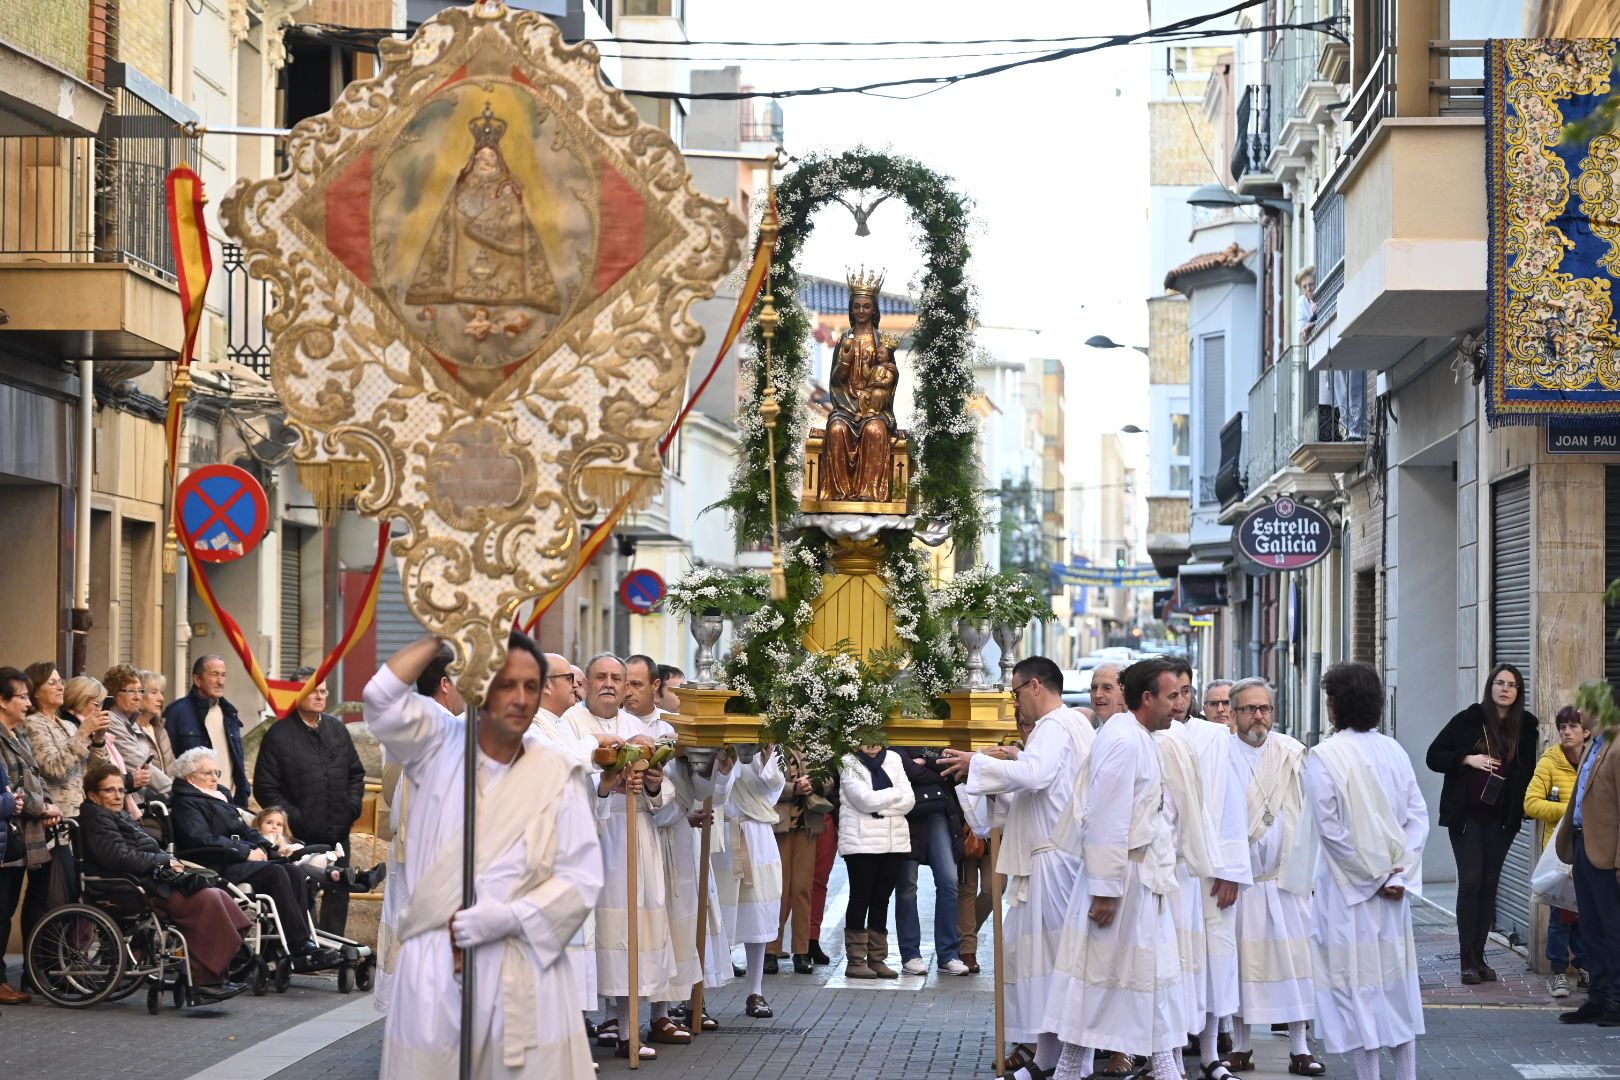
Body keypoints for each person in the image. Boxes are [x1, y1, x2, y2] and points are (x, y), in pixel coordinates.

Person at [364, 632, 602, 1077]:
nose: (519, 698)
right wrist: (443, 629)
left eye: (531, 687)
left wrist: (508, 919)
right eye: (506, 684)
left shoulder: (553, 769)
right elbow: (380, 696)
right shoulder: (433, 742)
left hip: (519, 959)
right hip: (436, 960)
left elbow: (581, 877)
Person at [941, 655, 1093, 1079]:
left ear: (1036, 686)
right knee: (1037, 962)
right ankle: (1045, 1059)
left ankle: (1068, 1062)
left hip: (1054, 860)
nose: (1014, 702)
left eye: (1015, 691)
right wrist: (996, 771)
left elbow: (1036, 774)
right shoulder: (1075, 724)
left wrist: (982, 764)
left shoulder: (1055, 726)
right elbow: (1036, 791)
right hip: (1054, 855)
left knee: (1054, 962)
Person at [1044, 656, 1185, 1080]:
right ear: (1147, 698)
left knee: (1149, 980)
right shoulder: (1124, 740)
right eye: (1172, 695)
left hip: (1140, 879)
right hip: (1119, 883)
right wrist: (1105, 889)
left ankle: (1165, 1068)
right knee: (1097, 985)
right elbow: (1106, 816)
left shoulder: (1138, 735)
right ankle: (1072, 1069)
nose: (1179, 705)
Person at [1310, 662, 1428, 1080]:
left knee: (1356, 988)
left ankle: (1369, 1076)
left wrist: (1374, 877)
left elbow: (1331, 833)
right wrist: (1397, 875)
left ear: (1336, 704)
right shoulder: (1393, 750)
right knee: (1396, 987)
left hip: (1348, 894)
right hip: (1391, 891)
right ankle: (1406, 1075)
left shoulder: (1324, 756)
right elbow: (1417, 817)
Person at [568, 653, 678, 1059]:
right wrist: (604, 784)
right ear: (587, 682)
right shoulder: (572, 726)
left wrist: (652, 782)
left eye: (618, 677)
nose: (610, 684)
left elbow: (666, 805)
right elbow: (562, 781)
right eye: (601, 677)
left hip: (634, 835)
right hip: (591, 840)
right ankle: (585, 1027)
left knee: (634, 928)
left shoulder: (638, 728)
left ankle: (631, 1028)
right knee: (592, 932)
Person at [78, 762, 250, 1002]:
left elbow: (140, 852)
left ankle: (214, 969)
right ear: (93, 795)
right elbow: (119, 857)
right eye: (109, 790)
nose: (117, 795)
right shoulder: (97, 818)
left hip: (147, 880)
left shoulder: (117, 816)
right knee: (208, 900)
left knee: (217, 893)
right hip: (127, 888)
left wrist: (167, 860)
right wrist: (163, 861)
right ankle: (203, 980)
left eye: (120, 790)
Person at [168, 746, 340, 971]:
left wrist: (264, 847)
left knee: (294, 871)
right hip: (212, 864)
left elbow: (243, 828)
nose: (214, 778)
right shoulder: (185, 802)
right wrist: (245, 851)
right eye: (207, 773)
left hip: (235, 859)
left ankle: (296, 945)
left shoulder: (218, 795)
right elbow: (200, 838)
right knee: (276, 873)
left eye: (216, 773)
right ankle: (297, 946)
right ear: (190, 777)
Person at [1223, 678, 1321, 1075]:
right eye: (1249, 709)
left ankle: (1300, 1047)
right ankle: (1241, 1046)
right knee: (1243, 967)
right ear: (1232, 713)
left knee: (1294, 964)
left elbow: (1312, 812)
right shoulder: (1220, 754)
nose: (1258, 716)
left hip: (1285, 881)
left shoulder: (1292, 754)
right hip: (1239, 882)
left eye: (1264, 708)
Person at [1159, 658, 1249, 1078]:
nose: (1179, 701)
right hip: (1169, 870)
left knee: (1215, 959)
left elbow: (1231, 804)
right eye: (1171, 693)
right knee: (1174, 962)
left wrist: (1230, 869)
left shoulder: (1214, 737)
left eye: (1185, 692)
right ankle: (1171, 1055)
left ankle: (1212, 1051)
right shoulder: (1149, 736)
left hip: (1211, 869)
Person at [1425, 662, 1538, 983]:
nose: (1505, 689)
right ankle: (1466, 959)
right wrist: (1466, 758)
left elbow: (1528, 771)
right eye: (1500, 683)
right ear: (1490, 687)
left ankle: (1480, 955)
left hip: (1502, 820)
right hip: (1467, 817)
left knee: (1490, 885)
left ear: (1518, 692)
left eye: (1512, 685)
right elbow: (1434, 756)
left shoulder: (1526, 726)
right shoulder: (1468, 719)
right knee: (1471, 881)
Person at [530, 652, 618, 1028]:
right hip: (547, 856)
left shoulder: (563, 725)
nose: (577, 686)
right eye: (570, 679)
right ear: (547, 684)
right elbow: (558, 765)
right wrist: (596, 741)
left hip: (573, 853)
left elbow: (579, 785)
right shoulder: (530, 726)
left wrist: (604, 789)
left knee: (575, 948)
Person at [253, 667, 368, 934]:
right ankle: (308, 945)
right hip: (299, 833)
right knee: (304, 889)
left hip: (338, 829)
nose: (319, 696)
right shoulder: (279, 735)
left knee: (339, 888)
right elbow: (266, 788)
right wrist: (296, 818)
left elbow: (356, 773)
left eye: (323, 691)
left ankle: (335, 946)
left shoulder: (337, 729)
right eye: (312, 690)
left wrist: (352, 807)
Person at [1554, 701, 1619, 1027]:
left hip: (1608, 855)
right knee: (1590, 928)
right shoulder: (1594, 746)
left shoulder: (1618, 748)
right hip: (1582, 846)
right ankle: (1598, 998)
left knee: (1613, 930)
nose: (1579, 716)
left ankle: (1617, 1001)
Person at [1525, 706, 1590, 998]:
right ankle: (1559, 972)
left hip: (1592, 848)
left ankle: (1585, 965)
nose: (1566, 732)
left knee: (1586, 912)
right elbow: (1531, 803)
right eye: (1562, 726)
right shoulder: (1550, 762)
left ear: (1586, 731)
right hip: (1561, 851)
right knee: (1561, 914)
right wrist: (1570, 811)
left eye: (1573, 726)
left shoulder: (1595, 759)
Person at [836, 741, 913, 981]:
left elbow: (909, 801)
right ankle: (856, 960)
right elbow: (864, 801)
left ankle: (877, 958)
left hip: (894, 841)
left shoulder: (894, 759)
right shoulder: (848, 761)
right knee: (861, 897)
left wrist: (880, 807)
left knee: (881, 900)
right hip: (861, 843)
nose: (870, 745)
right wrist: (893, 795)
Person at [894, 744, 969, 976]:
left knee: (949, 881)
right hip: (904, 812)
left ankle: (948, 954)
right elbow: (903, 766)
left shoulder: (941, 727)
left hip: (938, 810)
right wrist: (931, 767)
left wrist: (924, 764)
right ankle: (910, 954)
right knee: (907, 885)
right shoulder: (896, 731)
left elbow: (948, 764)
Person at [0, 666, 50, 1004]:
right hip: (8, 835)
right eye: (21, 696)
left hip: (19, 837)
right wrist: (40, 807)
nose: (28, 703)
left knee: (5, 911)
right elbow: (11, 788)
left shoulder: (16, 734)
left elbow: (34, 777)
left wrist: (47, 802)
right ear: (2, 700)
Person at [725, 743, 786, 1016]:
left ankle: (755, 991)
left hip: (757, 833)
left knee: (759, 914)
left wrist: (767, 751)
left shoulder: (769, 739)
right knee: (714, 914)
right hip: (721, 831)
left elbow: (775, 785)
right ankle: (694, 995)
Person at [771, 745, 832, 974]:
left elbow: (828, 782)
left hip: (807, 825)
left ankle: (802, 950)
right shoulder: (770, 743)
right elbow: (762, 784)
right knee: (778, 889)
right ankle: (771, 950)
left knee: (802, 888)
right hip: (779, 825)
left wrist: (813, 783)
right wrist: (793, 788)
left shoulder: (814, 744)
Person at [165, 655, 251, 808]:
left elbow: (237, 760)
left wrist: (243, 792)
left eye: (223, 675)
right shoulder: (177, 713)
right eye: (214, 674)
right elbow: (169, 764)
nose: (221, 681)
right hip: (196, 804)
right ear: (197, 680)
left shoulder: (230, 713)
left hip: (231, 802)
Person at [25, 670, 110, 819]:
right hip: (56, 816)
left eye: (60, 682)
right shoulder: (32, 724)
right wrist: (83, 733)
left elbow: (92, 772)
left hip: (79, 811)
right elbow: (53, 769)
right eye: (52, 683)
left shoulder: (69, 725)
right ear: (35, 692)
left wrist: (98, 740)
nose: (60, 687)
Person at [252, 806, 386, 896]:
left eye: (279, 824)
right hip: (287, 871)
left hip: (302, 865)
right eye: (269, 823)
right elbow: (272, 854)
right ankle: (356, 876)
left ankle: (363, 876)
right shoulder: (259, 840)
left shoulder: (287, 840)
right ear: (259, 826)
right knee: (308, 866)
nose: (274, 827)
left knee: (312, 861)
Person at [102, 665, 159, 804]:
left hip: (141, 797)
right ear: (114, 694)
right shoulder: (111, 720)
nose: (138, 697)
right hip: (124, 801)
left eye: (140, 691)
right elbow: (136, 761)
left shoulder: (132, 720)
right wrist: (173, 788)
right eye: (131, 691)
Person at [135, 670, 177, 793]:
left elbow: (172, 767)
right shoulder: (130, 730)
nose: (161, 698)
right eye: (154, 692)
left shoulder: (160, 729)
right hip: (146, 801)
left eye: (161, 692)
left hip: (169, 801)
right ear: (138, 695)